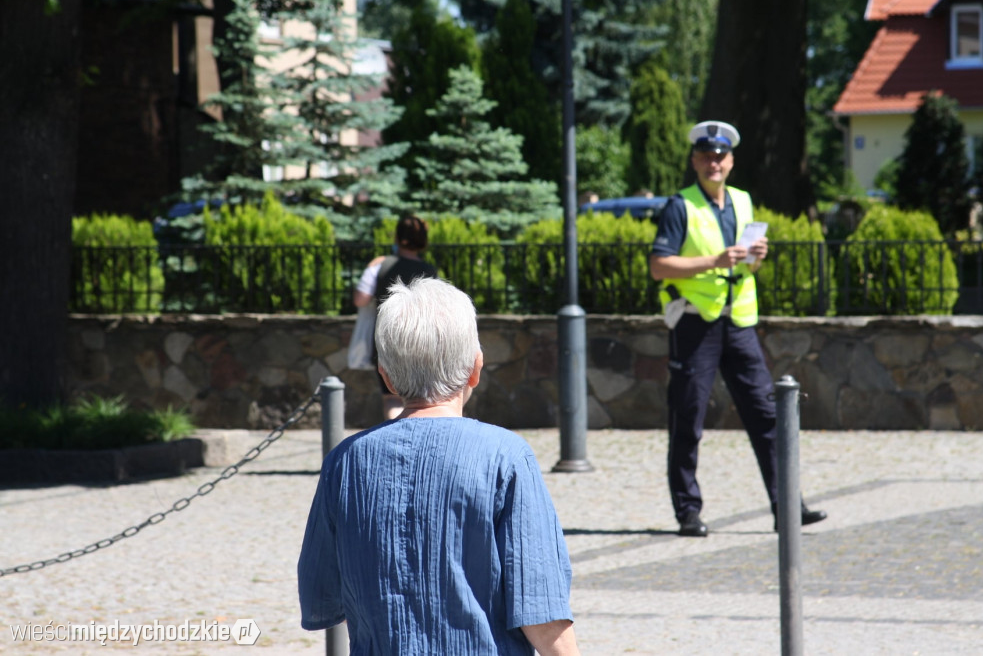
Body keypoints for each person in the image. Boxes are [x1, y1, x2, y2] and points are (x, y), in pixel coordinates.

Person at [298, 277, 579, 656]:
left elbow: (324, 593)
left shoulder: (344, 463)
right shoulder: (506, 457)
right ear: (475, 368)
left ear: (386, 375)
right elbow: (541, 612)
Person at [649, 120, 827, 537]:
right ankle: (688, 512)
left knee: (768, 415)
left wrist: (756, 256)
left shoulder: (743, 202)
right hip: (695, 322)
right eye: (707, 156)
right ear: (695, 161)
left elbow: (747, 265)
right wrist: (715, 261)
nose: (714, 162)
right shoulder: (681, 206)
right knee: (689, 417)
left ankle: (788, 506)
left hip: (740, 322)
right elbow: (659, 266)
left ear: (731, 161)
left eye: (721, 156)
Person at [353, 215, 438, 420]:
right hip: (422, 339)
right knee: (422, 399)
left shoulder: (380, 265)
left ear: (398, 237)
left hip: (387, 337)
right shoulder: (430, 271)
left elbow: (360, 299)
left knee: (392, 398)